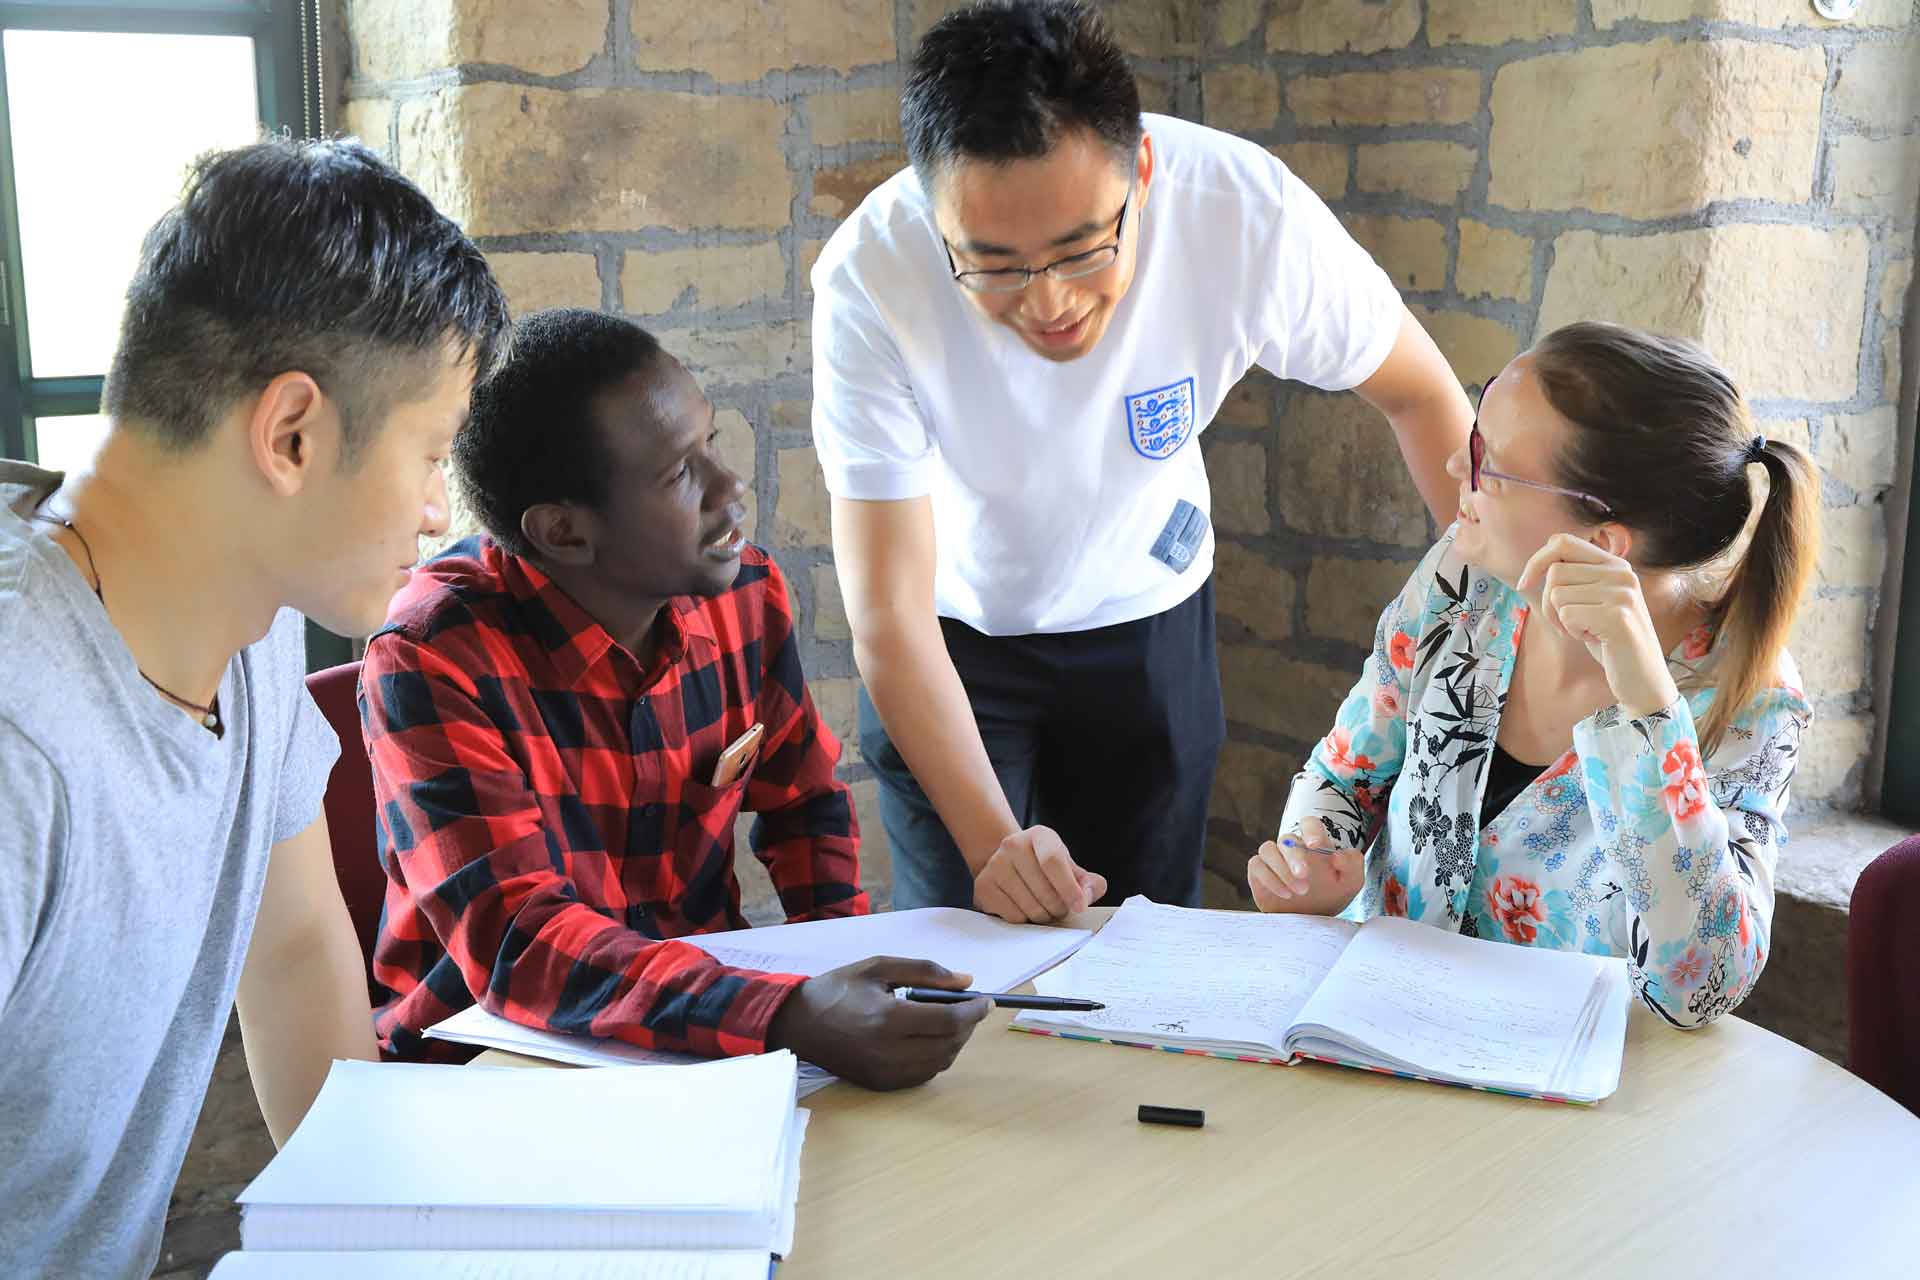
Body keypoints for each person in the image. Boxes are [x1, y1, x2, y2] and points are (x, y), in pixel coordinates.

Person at [811, 0, 1474, 924]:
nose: (1048, 303)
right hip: (950, 635)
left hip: (1147, 611)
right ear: (935, 216)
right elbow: (885, 607)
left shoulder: (1243, 215)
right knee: (962, 961)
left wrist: (1495, 613)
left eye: (1083, 249)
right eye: (994, 265)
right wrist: (996, 848)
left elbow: (1424, 395)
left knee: (1141, 954)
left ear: (1144, 171)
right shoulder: (869, 279)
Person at [0, 137, 509, 1275]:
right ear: (292, 435)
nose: (438, 511)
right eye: (429, 454)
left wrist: (381, 1247)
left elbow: (289, 950)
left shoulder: (253, 625)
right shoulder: (18, 737)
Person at [361, 308, 988, 1090]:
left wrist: (846, 973)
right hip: (489, 1072)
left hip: (696, 1042)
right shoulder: (432, 657)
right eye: (679, 473)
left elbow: (805, 805)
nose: (730, 487)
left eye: (711, 443)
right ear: (563, 532)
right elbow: (521, 946)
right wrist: (791, 1016)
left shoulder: (746, 593)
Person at [1249, 322, 1819, 1029]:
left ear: (1601, 545)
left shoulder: (1751, 699)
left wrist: (1648, 710)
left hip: (1581, 1103)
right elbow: (1343, 778)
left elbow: (1699, 990)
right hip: (1371, 1034)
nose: (1458, 466)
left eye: (1489, 457)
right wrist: (1311, 861)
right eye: (1477, 421)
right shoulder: (1462, 587)